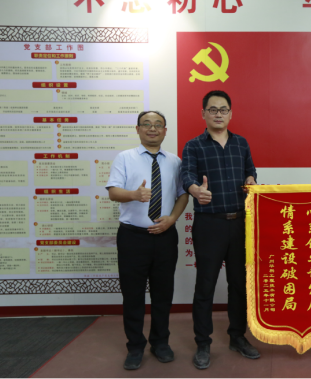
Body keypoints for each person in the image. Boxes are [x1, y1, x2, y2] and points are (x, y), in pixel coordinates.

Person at [181, 90, 259, 370]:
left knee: (239, 284)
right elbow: (186, 175)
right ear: (203, 113)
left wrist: (250, 179)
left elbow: (250, 170)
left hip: (239, 223)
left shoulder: (241, 143)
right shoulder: (194, 145)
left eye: (223, 109)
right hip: (209, 224)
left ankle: (237, 336)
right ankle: (203, 343)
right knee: (206, 285)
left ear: (230, 114)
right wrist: (195, 190)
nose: (218, 114)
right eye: (212, 109)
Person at [106, 111, 189, 370]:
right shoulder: (125, 158)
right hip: (133, 237)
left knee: (163, 293)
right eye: (146, 124)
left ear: (165, 131)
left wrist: (172, 219)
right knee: (133, 295)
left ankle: (160, 342)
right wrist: (134, 194)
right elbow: (113, 192)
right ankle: (135, 346)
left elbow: (183, 195)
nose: (152, 129)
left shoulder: (175, 161)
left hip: (165, 236)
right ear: (138, 129)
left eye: (158, 125)